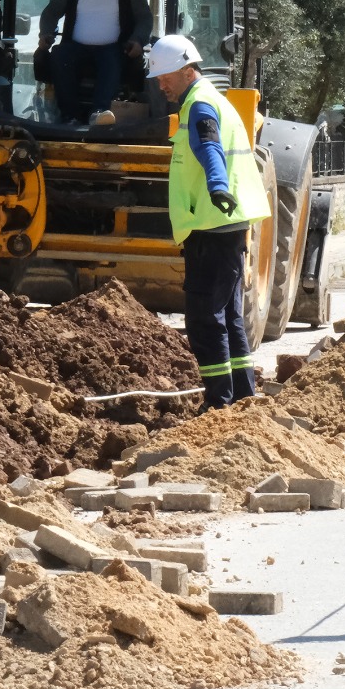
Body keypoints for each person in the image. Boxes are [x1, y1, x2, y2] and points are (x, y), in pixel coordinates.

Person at [148, 34, 270, 410]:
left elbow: (210, 147)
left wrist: (217, 186)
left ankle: (220, 402)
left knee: (204, 318)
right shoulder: (208, 101)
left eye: (166, 76)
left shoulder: (200, 106)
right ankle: (242, 396)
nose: (160, 83)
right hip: (223, 224)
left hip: (212, 225)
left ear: (187, 71)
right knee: (230, 315)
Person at [38, 0, 152, 127]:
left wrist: (137, 40)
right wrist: (45, 33)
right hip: (75, 47)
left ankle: (99, 113)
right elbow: (51, 12)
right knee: (59, 55)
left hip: (113, 48)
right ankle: (69, 116)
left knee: (112, 59)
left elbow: (144, 18)